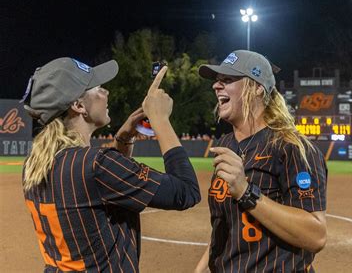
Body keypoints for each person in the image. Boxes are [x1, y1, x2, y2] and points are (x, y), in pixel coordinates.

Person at [21, 57, 201, 272]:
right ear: (78, 105)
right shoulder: (97, 164)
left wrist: (124, 138)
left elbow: (97, 194)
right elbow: (186, 192)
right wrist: (161, 120)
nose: (106, 92)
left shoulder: (36, 164)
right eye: (98, 88)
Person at [195, 50, 328, 272]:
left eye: (227, 80)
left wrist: (246, 192)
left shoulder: (291, 147)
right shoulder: (226, 144)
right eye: (218, 81)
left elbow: (316, 235)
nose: (216, 86)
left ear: (257, 87)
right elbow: (225, 225)